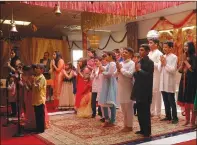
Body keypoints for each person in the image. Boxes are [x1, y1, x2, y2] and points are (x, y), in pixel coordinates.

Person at [131, 44, 154, 137]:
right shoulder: (139, 61)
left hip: (146, 89)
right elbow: (135, 76)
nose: (140, 52)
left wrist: (139, 70)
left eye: (142, 50)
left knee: (145, 111)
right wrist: (136, 71)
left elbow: (148, 76)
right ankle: (142, 129)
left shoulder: (150, 62)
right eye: (139, 50)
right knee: (139, 111)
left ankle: (147, 131)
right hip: (138, 88)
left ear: (148, 51)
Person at [158, 41, 178, 124]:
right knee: (165, 100)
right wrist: (162, 63)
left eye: (166, 47)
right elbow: (159, 69)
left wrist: (165, 63)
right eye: (163, 47)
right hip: (162, 81)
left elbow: (173, 70)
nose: (164, 49)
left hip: (169, 81)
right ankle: (168, 116)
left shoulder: (174, 57)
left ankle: (175, 117)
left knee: (171, 100)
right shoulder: (163, 56)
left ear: (171, 48)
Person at [177, 41, 197, 126]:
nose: (185, 47)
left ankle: (193, 121)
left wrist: (185, 61)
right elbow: (180, 71)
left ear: (191, 47)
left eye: (187, 46)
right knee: (185, 101)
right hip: (184, 81)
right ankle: (187, 120)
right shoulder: (186, 56)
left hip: (192, 82)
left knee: (192, 101)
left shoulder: (194, 57)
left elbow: (193, 69)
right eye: (184, 46)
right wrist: (182, 63)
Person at [116, 47, 135, 132]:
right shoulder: (121, 63)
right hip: (121, 87)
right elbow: (115, 75)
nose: (123, 54)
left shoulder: (132, 63)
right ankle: (125, 125)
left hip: (128, 88)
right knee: (123, 108)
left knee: (129, 108)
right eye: (123, 52)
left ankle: (130, 126)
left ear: (130, 54)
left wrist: (121, 69)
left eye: (126, 52)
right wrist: (118, 70)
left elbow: (130, 75)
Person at [99, 51, 117, 127]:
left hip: (110, 83)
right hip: (106, 83)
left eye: (106, 56)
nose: (105, 58)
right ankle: (107, 119)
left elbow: (110, 74)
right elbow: (105, 69)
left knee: (111, 102)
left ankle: (112, 120)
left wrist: (103, 72)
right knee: (104, 102)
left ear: (110, 56)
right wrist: (101, 67)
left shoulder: (113, 64)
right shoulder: (109, 64)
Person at [148, 37, 163, 117]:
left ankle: (158, 112)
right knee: (151, 94)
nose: (149, 44)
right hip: (149, 75)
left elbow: (159, 66)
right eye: (149, 43)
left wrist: (151, 63)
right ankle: (151, 111)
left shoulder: (159, 53)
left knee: (156, 93)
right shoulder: (149, 53)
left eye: (151, 43)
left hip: (156, 76)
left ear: (156, 44)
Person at [32, 64, 47, 133]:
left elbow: (38, 88)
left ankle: (41, 129)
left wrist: (34, 83)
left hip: (40, 99)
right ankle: (38, 128)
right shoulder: (36, 77)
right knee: (37, 115)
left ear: (41, 70)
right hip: (36, 99)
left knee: (40, 115)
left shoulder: (42, 78)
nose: (35, 69)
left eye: (37, 68)